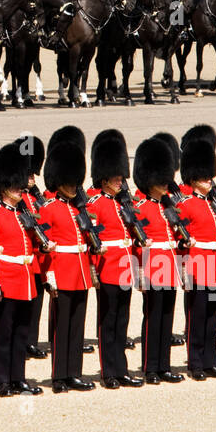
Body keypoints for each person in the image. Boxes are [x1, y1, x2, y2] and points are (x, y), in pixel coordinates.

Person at [0, 143, 42, 396]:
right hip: (6, 279)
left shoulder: (23, 213)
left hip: (25, 278)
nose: (21, 189)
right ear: (6, 186)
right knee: (4, 333)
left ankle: (19, 377)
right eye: (16, 185)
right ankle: (3, 380)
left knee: (21, 332)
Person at [175, 139, 216, 380]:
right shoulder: (185, 205)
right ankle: (196, 363)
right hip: (198, 266)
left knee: (213, 316)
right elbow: (181, 240)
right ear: (193, 179)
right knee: (197, 317)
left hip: (215, 265)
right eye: (204, 178)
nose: (209, 181)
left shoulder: (215, 204)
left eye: (210, 177)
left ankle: (211, 361)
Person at [39, 141, 95, 391]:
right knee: (60, 328)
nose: (74, 186)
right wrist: (49, 277)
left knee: (76, 327)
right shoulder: (49, 210)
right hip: (61, 274)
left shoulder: (79, 209)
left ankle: (74, 373)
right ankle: (59, 376)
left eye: (75, 181)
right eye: (69, 181)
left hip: (80, 273)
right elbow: (42, 247)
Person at [86, 136, 141, 388]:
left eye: (121, 178)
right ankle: (108, 371)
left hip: (125, 269)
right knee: (107, 323)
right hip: (108, 268)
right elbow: (93, 239)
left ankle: (122, 369)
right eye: (117, 179)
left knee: (122, 322)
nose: (121, 182)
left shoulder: (122, 204)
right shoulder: (95, 204)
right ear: (104, 180)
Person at [133, 137, 184, 382]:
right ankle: (150, 367)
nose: (165, 184)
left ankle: (164, 365)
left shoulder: (169, 206)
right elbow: (137, 244)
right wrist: (139, 274)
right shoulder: (141, 207)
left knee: (166, 317)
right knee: (152, 318)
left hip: (170, 267)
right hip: (152, 267)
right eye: (160, 179)